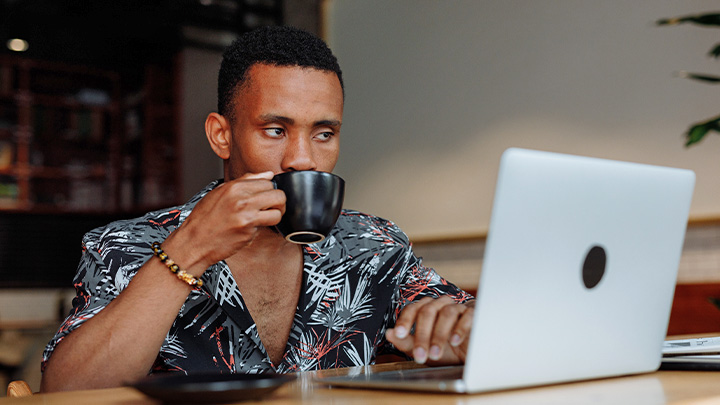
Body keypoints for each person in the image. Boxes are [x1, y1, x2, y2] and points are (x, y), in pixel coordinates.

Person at [40, 25, 475, 392]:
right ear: (221, 136)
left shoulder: (375, 245)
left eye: (323, 133)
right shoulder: (124, 244)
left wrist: (459, 331)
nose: (302, 159)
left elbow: (477, 329)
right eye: (274, 129)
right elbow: (64, 393)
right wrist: (186, 252)